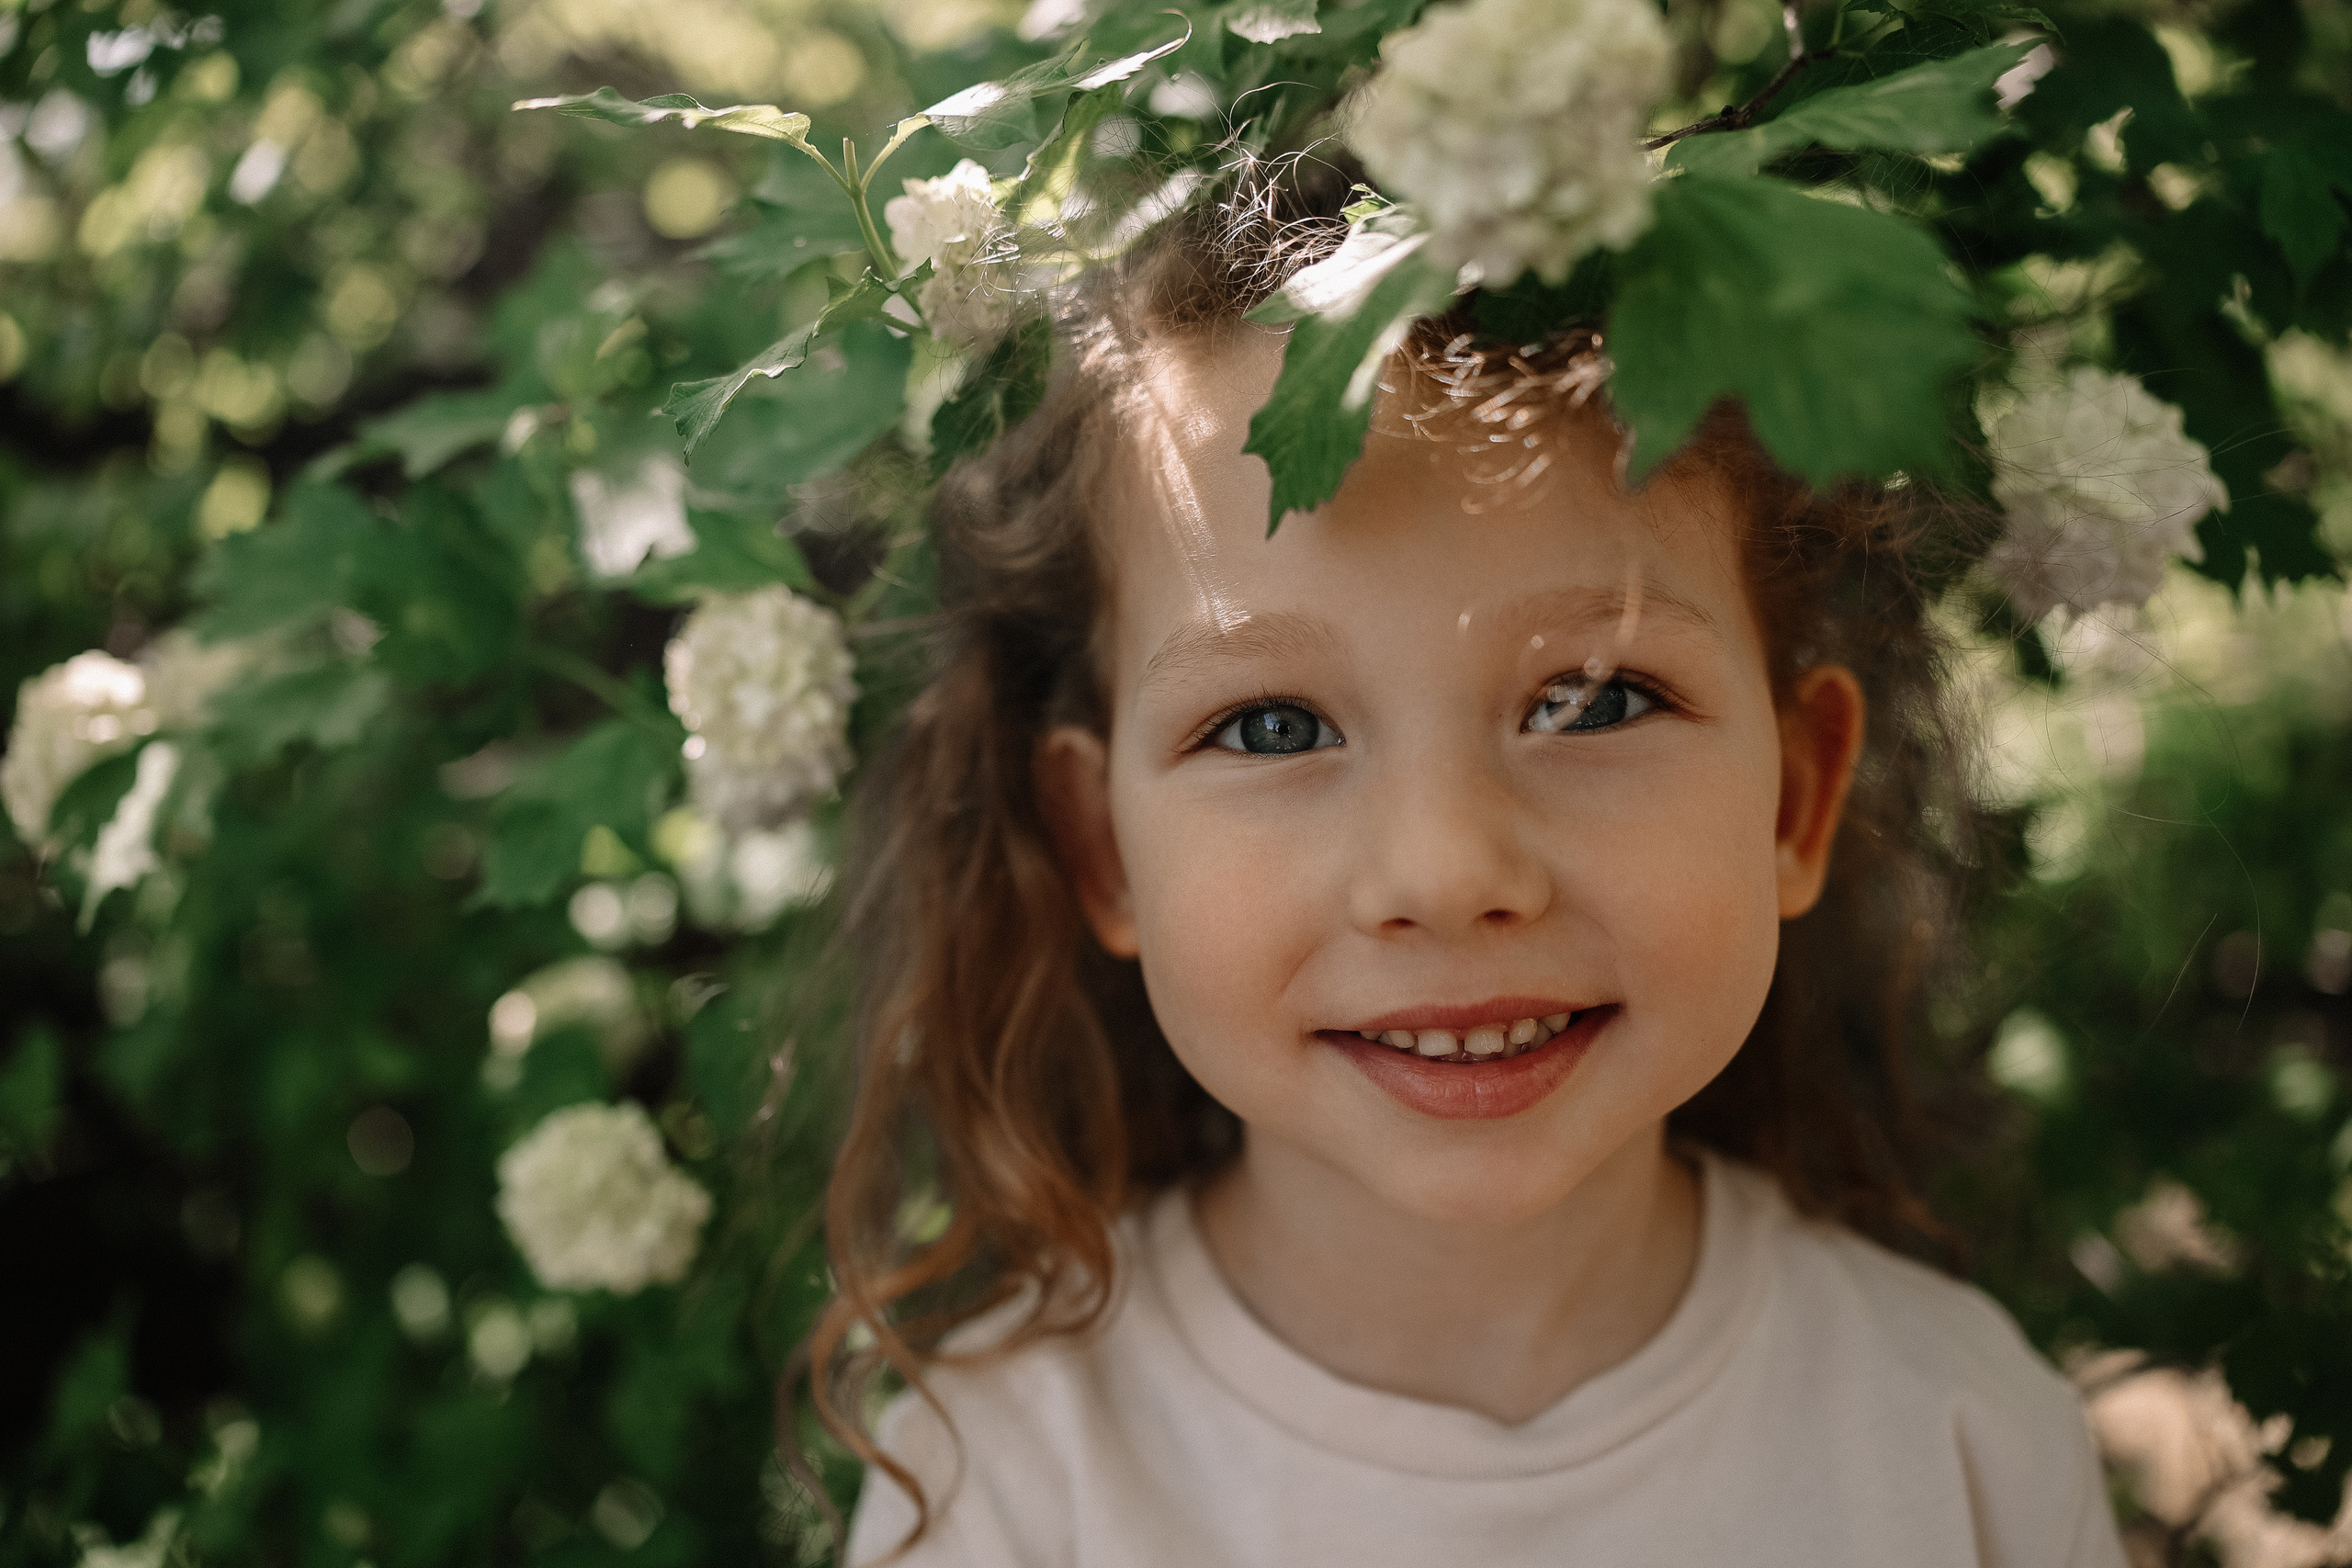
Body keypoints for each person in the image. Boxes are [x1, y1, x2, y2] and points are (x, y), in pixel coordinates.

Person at [800, 165, 2131, 1568]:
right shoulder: (1009, 1486)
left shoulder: (1956, 1435)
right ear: (1099, 843)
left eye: (1598, 700)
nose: (1445, 870)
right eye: (1271, 726)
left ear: (1795, 798)